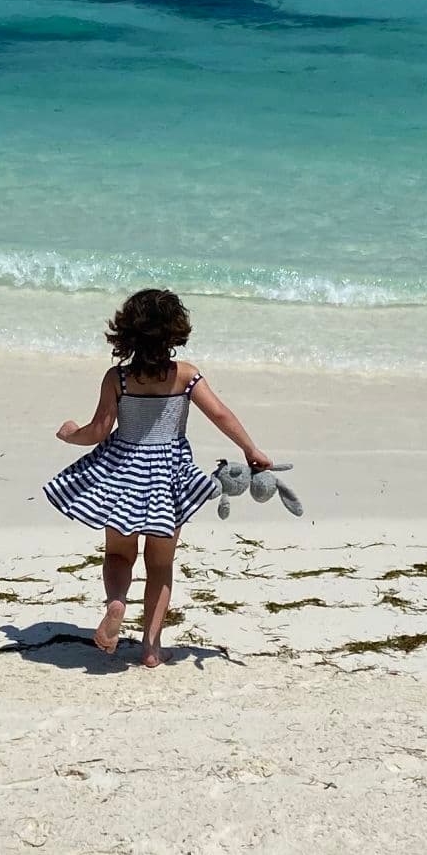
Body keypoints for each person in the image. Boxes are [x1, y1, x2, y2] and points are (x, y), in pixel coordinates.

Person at [45, 285, 272, 667]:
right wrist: (250, 448)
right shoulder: (185, 375)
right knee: (161, 564)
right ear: (175, 331)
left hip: (121, 472)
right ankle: (151, 648)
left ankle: (116, 603)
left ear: (126, 332)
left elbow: (99, 430)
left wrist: (70, 434)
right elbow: (220, 414)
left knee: (119, 554)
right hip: (168, 475)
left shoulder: (117, 378)